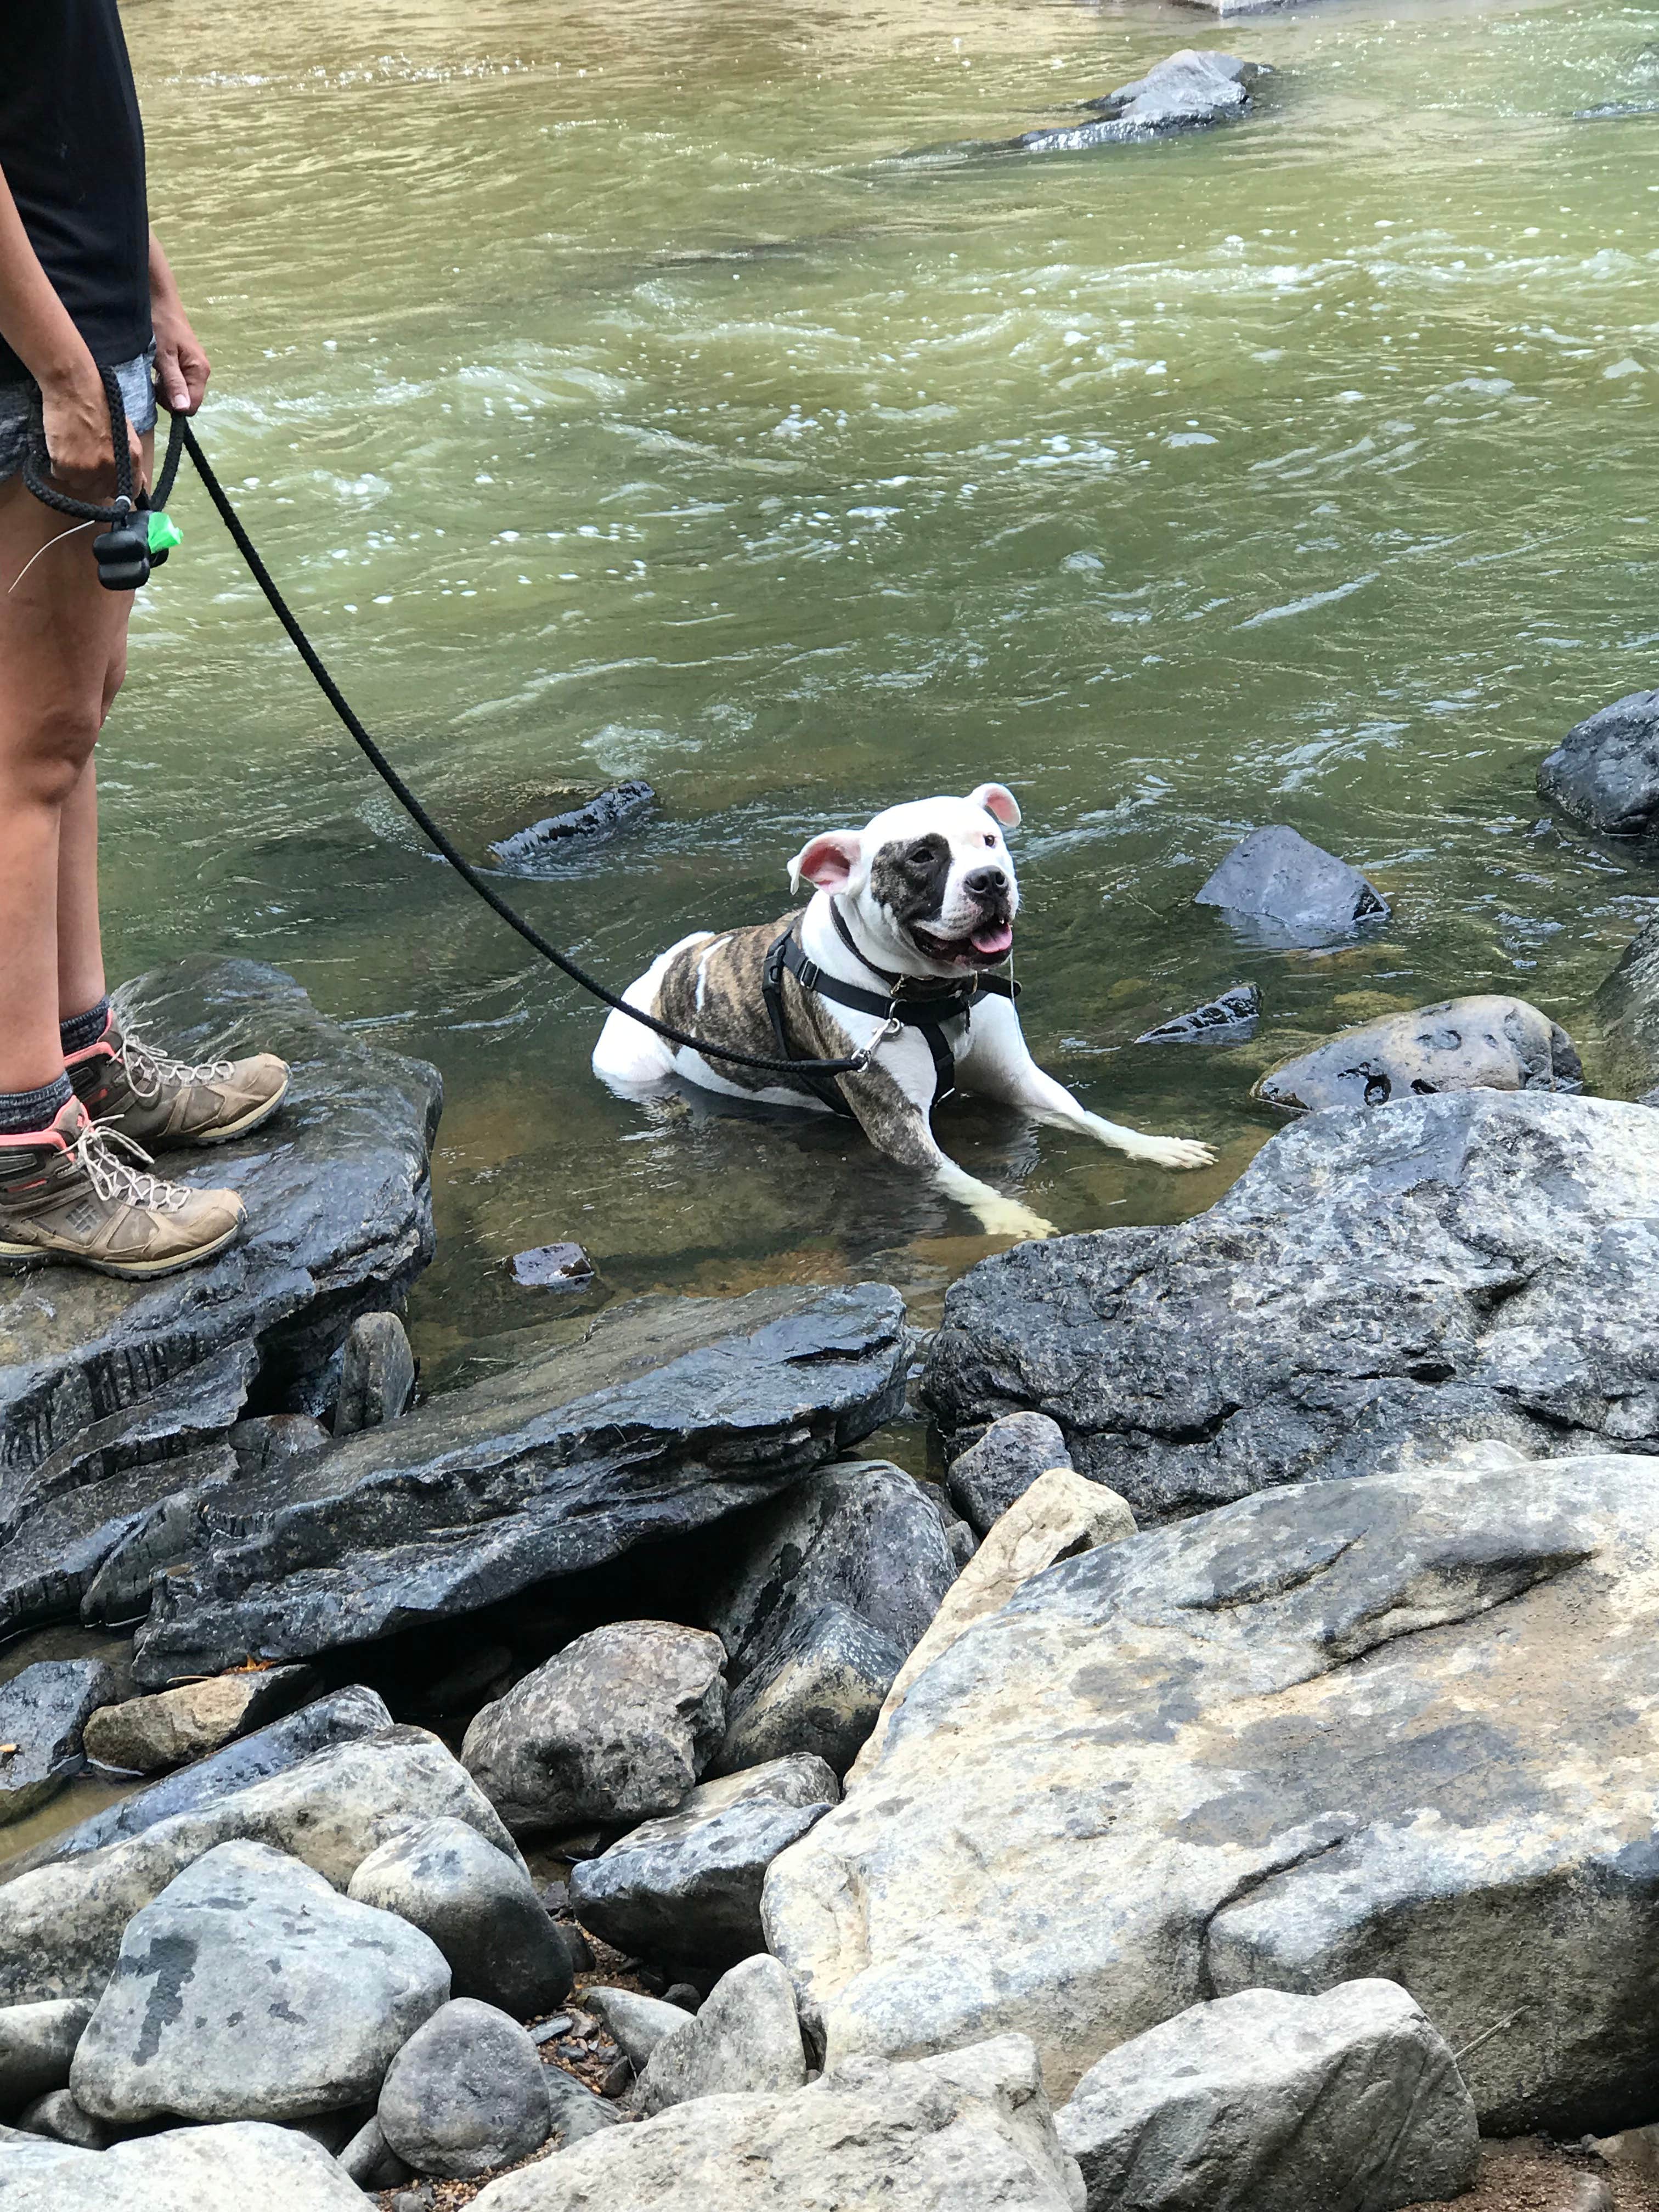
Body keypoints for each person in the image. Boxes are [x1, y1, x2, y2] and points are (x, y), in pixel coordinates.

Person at [0, 3, 289, 1280]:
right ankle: (23, 1153)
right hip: (31, 361)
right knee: (21, 755)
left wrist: (151, 293)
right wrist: (67, 376)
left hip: (83, 327)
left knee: (67, 726)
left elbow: (66, 109)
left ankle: (84, 1063)